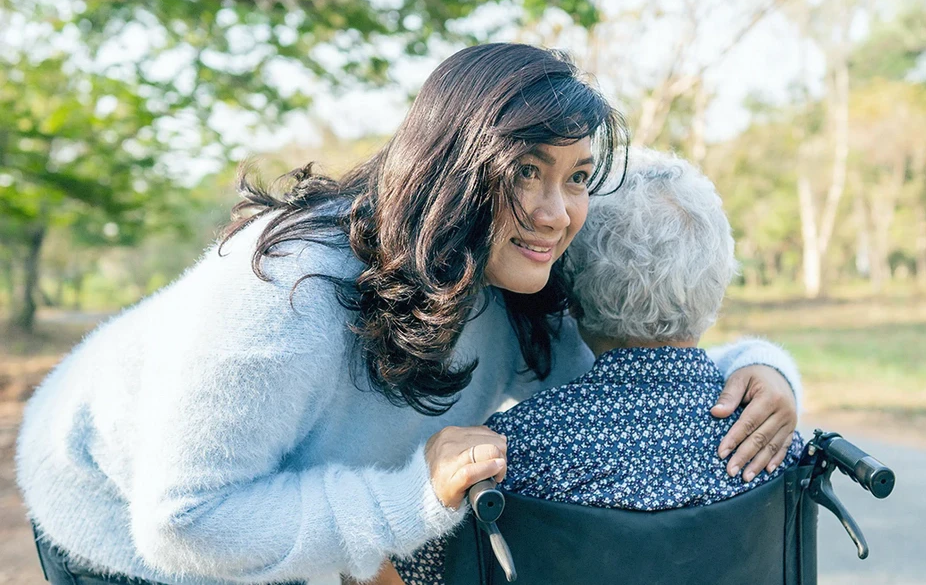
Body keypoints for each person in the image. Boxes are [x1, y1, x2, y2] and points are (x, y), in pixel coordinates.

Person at [16, 44, 802, 585]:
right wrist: (411, 498)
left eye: (576, 176)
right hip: (121, 523)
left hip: (265, 510)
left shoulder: (510, 276)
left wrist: (758, 369)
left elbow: (625, 366)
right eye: (525, 171)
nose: (556, 211)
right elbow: (185, 521)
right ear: (454, 168)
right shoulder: (288, 286)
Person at [386, 148, 805, 585]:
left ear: (572, 295)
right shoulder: (772, 439)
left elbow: (392, 572)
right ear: (717, 282)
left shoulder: (503, 458)